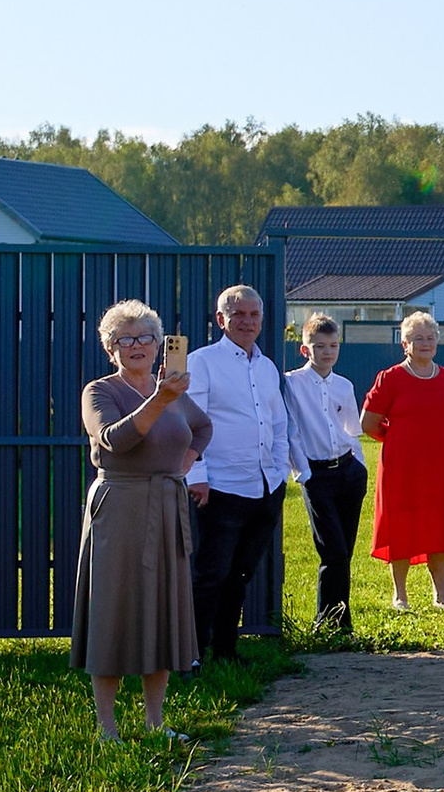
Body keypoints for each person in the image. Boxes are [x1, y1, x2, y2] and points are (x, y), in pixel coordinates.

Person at [73, 300, 213, 737]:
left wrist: (188, 461)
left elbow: (203, 427)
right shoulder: (100, 391)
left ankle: (156, 722)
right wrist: (159, 399)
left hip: (166, 506)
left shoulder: (172, 391)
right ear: (110, 349)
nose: (136, 346)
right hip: (119, 508)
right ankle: (107, 727)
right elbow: (115, 440)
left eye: (145, 337)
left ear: (158, 345)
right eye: (125, 339)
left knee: (162, 611)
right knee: (113, 610)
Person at [186, 281, 297, 662]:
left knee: (240, 575)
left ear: (262, 319)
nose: (247, 322)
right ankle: (194, 655)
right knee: (210, 575)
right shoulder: (202, 362)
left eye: (254, 315)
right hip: (219, 486)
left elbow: (278, 424)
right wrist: (196, 474)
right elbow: (190, 422)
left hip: (264, 486)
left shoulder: (266, 367)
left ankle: (226, 650)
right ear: (221, 319)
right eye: (238, 315)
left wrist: (280, 472)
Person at [364, 310, 444, 613]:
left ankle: (442, 595)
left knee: (442, 526)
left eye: (430, 337)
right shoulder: (391, 378)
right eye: (417, 338)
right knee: (401, 526)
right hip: (401, 468)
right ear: (405, 344)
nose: (425, 343)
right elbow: (368, 422)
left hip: (442, 467)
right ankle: (400, 595)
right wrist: (397, 440)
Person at [286, 313, 368, 636]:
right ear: (305, 349)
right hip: (316, 475)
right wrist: (303, 473)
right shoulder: (292, 384)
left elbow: (351, 430)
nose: (327, 352)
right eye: (319, 346)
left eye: (333, 346)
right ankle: (325, 622)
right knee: (331, 548)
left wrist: (359, 467)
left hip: (348, 472)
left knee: (344, 550)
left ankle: (340, 623)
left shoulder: (344, 386)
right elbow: (291, 429)